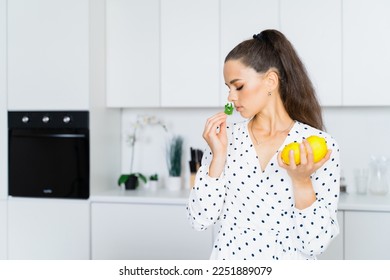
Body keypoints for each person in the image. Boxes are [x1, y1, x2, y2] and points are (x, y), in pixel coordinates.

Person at [186, 29, 340, 260]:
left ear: (270, 81)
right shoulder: (226, 139)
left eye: (238, 86)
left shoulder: (319, 146)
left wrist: (301, 181)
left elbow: (314, 244)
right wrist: (217, 158)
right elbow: (199, 220)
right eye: (228, 88)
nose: (230, 97)